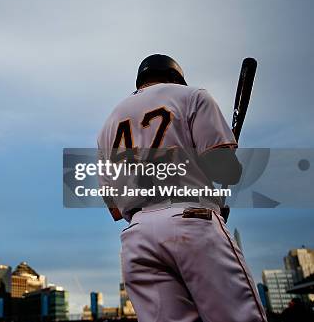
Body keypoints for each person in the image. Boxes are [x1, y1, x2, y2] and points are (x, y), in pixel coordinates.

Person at [97, 54, 266, 322]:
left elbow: (116, 209)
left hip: (136, 235)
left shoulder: (108, 124)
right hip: (192, 219)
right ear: (176, 77)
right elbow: (223, 169)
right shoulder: (192, 95)